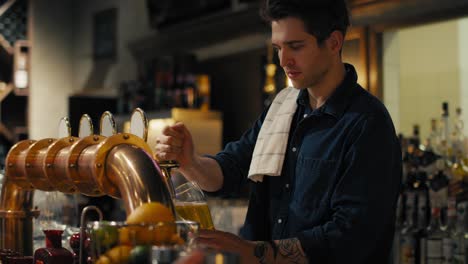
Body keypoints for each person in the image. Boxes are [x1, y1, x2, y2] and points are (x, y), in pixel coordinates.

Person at [155, 0, 402, 263]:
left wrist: (255, 253)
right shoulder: (283, 107)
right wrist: (189, 162)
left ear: (333, 42)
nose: (283, 60)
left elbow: (353, 236)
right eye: (278, 48)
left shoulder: (367, 122)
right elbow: (230, 170)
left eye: (296, 46)